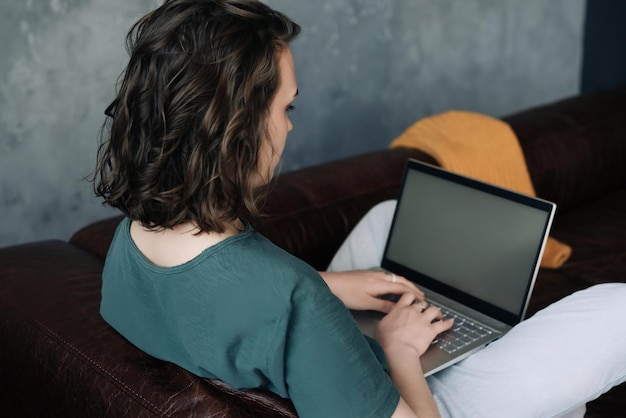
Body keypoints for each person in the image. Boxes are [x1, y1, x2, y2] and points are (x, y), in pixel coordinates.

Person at [93, 1, 626, 417]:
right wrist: (398, 348)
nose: (290, 127)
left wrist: (327, 284)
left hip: (325, 364)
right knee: (616, 309)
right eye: (287, 107)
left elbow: (227, 304)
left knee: (387, 217)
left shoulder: (131, 236)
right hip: (400, 395)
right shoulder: (290, 297)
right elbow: (278, 302)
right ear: (237, 128)